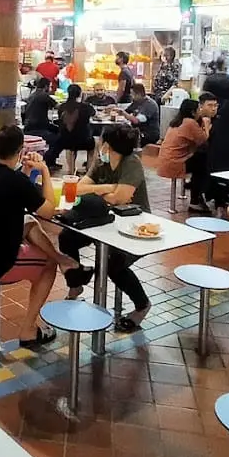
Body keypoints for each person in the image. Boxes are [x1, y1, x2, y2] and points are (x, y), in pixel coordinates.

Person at [0, 127, 79, 347]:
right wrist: (44, 170)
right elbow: (49, 210)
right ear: (21, 149)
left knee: (29, 223)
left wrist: (24, 169)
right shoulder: (16, 183)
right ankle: (28, 330)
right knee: (48, 265)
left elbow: (13, 192)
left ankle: (63, 259)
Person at [59, 124, 153, 331]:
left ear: (107, 145)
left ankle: (142, 306)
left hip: (135, 225)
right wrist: (106, 188)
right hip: (103, 219)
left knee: (113, 264)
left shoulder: (131, 164)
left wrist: (102, 193)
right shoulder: (102, 161)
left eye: (101, 141)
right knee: (66, 238)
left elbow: (120, 198)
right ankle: (76, 283)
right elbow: (79, 189)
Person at [156, 95, 217, 213]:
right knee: (202, 165)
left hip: (166, 160)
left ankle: (193, 191)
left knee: (200, 160)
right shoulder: (190, 123)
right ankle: (195, 200)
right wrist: (207, 125)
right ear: (193, 112)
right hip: (176, 163)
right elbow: (203, 140)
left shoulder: (176, 121)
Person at [47, 83, 95, 174]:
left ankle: (71, 170)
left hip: (65, 140)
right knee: (93, 145)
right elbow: (93, 113)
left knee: (70, 147)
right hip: (84, 140)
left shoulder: (62, 107)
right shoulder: (86, 107)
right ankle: (89, 169)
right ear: (80, 94)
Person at [21, 76, 58, 145]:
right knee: (57, 138)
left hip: (28, 126)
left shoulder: (32, 95)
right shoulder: (44, 95)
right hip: (38, 128)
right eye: (50, 87)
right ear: (46, 86)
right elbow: (58, 106)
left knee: (55, 129)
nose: (50, 89)